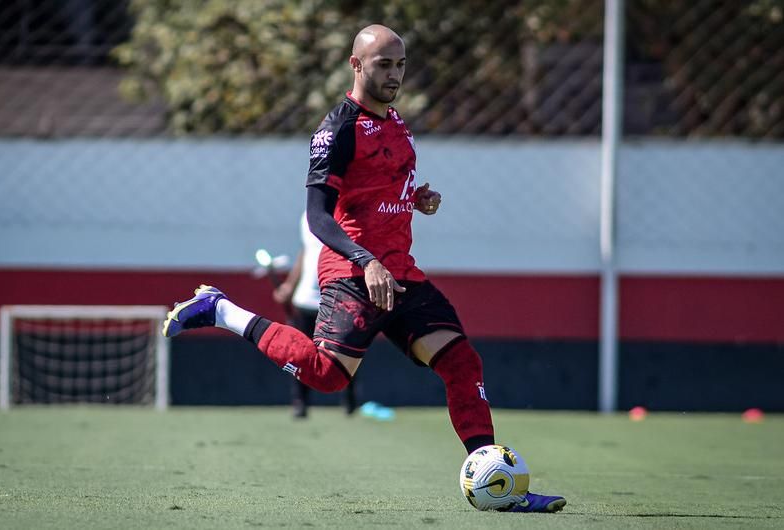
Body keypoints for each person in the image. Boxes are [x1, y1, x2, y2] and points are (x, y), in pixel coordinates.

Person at [163, 24, 565, 513]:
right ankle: (220, 309)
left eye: (400, 65)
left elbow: (379, 186)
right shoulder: (337, 131)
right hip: (355, 276)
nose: (394, 75)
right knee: (328, 376)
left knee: (462, 362)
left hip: (402, 275)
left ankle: (494, 483)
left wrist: (416, 198)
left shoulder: (396, 121)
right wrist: (366, 260)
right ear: (356, 65)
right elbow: (317, 217)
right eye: (383, 64)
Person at [272, 211, 358, 418]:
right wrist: (290, 286)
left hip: (339, 297)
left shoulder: (349, 212)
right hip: (305, 300)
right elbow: (306, 250)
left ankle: (350, 400)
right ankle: (300, 402)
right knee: (300, 353)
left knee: (347, 352)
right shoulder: (308, 214)